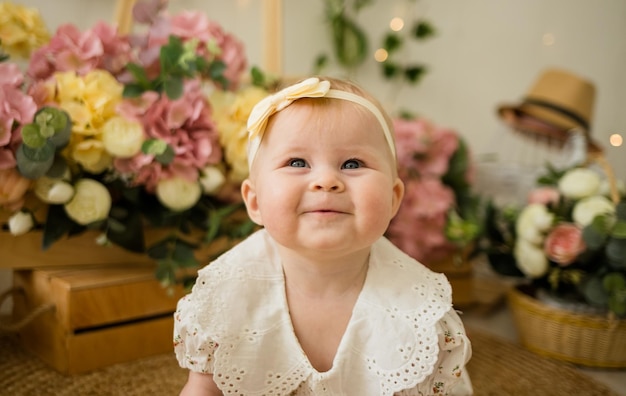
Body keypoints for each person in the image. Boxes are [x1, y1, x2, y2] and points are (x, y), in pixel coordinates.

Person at [173, 76, 473, 395]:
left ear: (393, 198)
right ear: (255, 201)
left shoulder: (418, 310)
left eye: (352, 163)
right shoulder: (224, 297)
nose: (327, 181)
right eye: (297, 162)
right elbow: (204, 390)